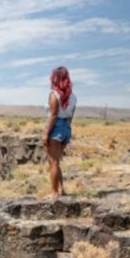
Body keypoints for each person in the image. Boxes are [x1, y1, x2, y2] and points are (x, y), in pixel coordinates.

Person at [43, 66, 76, 197]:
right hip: (66, 127)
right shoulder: (73, 97)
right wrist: (65, 130)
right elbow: (70, 116)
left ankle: (54, 192)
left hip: (55, 127)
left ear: (55, 78)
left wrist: (46, 132)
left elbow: (53, 115)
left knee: (53, 162)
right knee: (56, 161)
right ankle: (61, 190)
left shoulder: (54, 94)